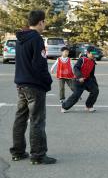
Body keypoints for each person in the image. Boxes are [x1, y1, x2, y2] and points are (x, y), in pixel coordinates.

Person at [10, 10, 56, 165]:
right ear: (41, 22)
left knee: (20, 118)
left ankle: (17, 151)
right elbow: (40, 65)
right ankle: (38, 155)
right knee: (37, 120)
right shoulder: (36, 39)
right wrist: (47, 82)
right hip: (34, 86)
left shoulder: (20, 38)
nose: (45, 24)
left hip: (21, 83)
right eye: (45, 22)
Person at [61, 46, 99, 113]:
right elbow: (76, 68)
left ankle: (89, 106)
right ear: (87, 53)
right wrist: (79, 77)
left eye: (94, 54)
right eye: (92, 54)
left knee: (95, 90)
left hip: (87, 80)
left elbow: (92, 74)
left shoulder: (93, 62)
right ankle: (64, 107)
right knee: (76, 95)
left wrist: (94, 83)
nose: (93, 55)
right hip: (78, 81)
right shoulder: (82, 59)